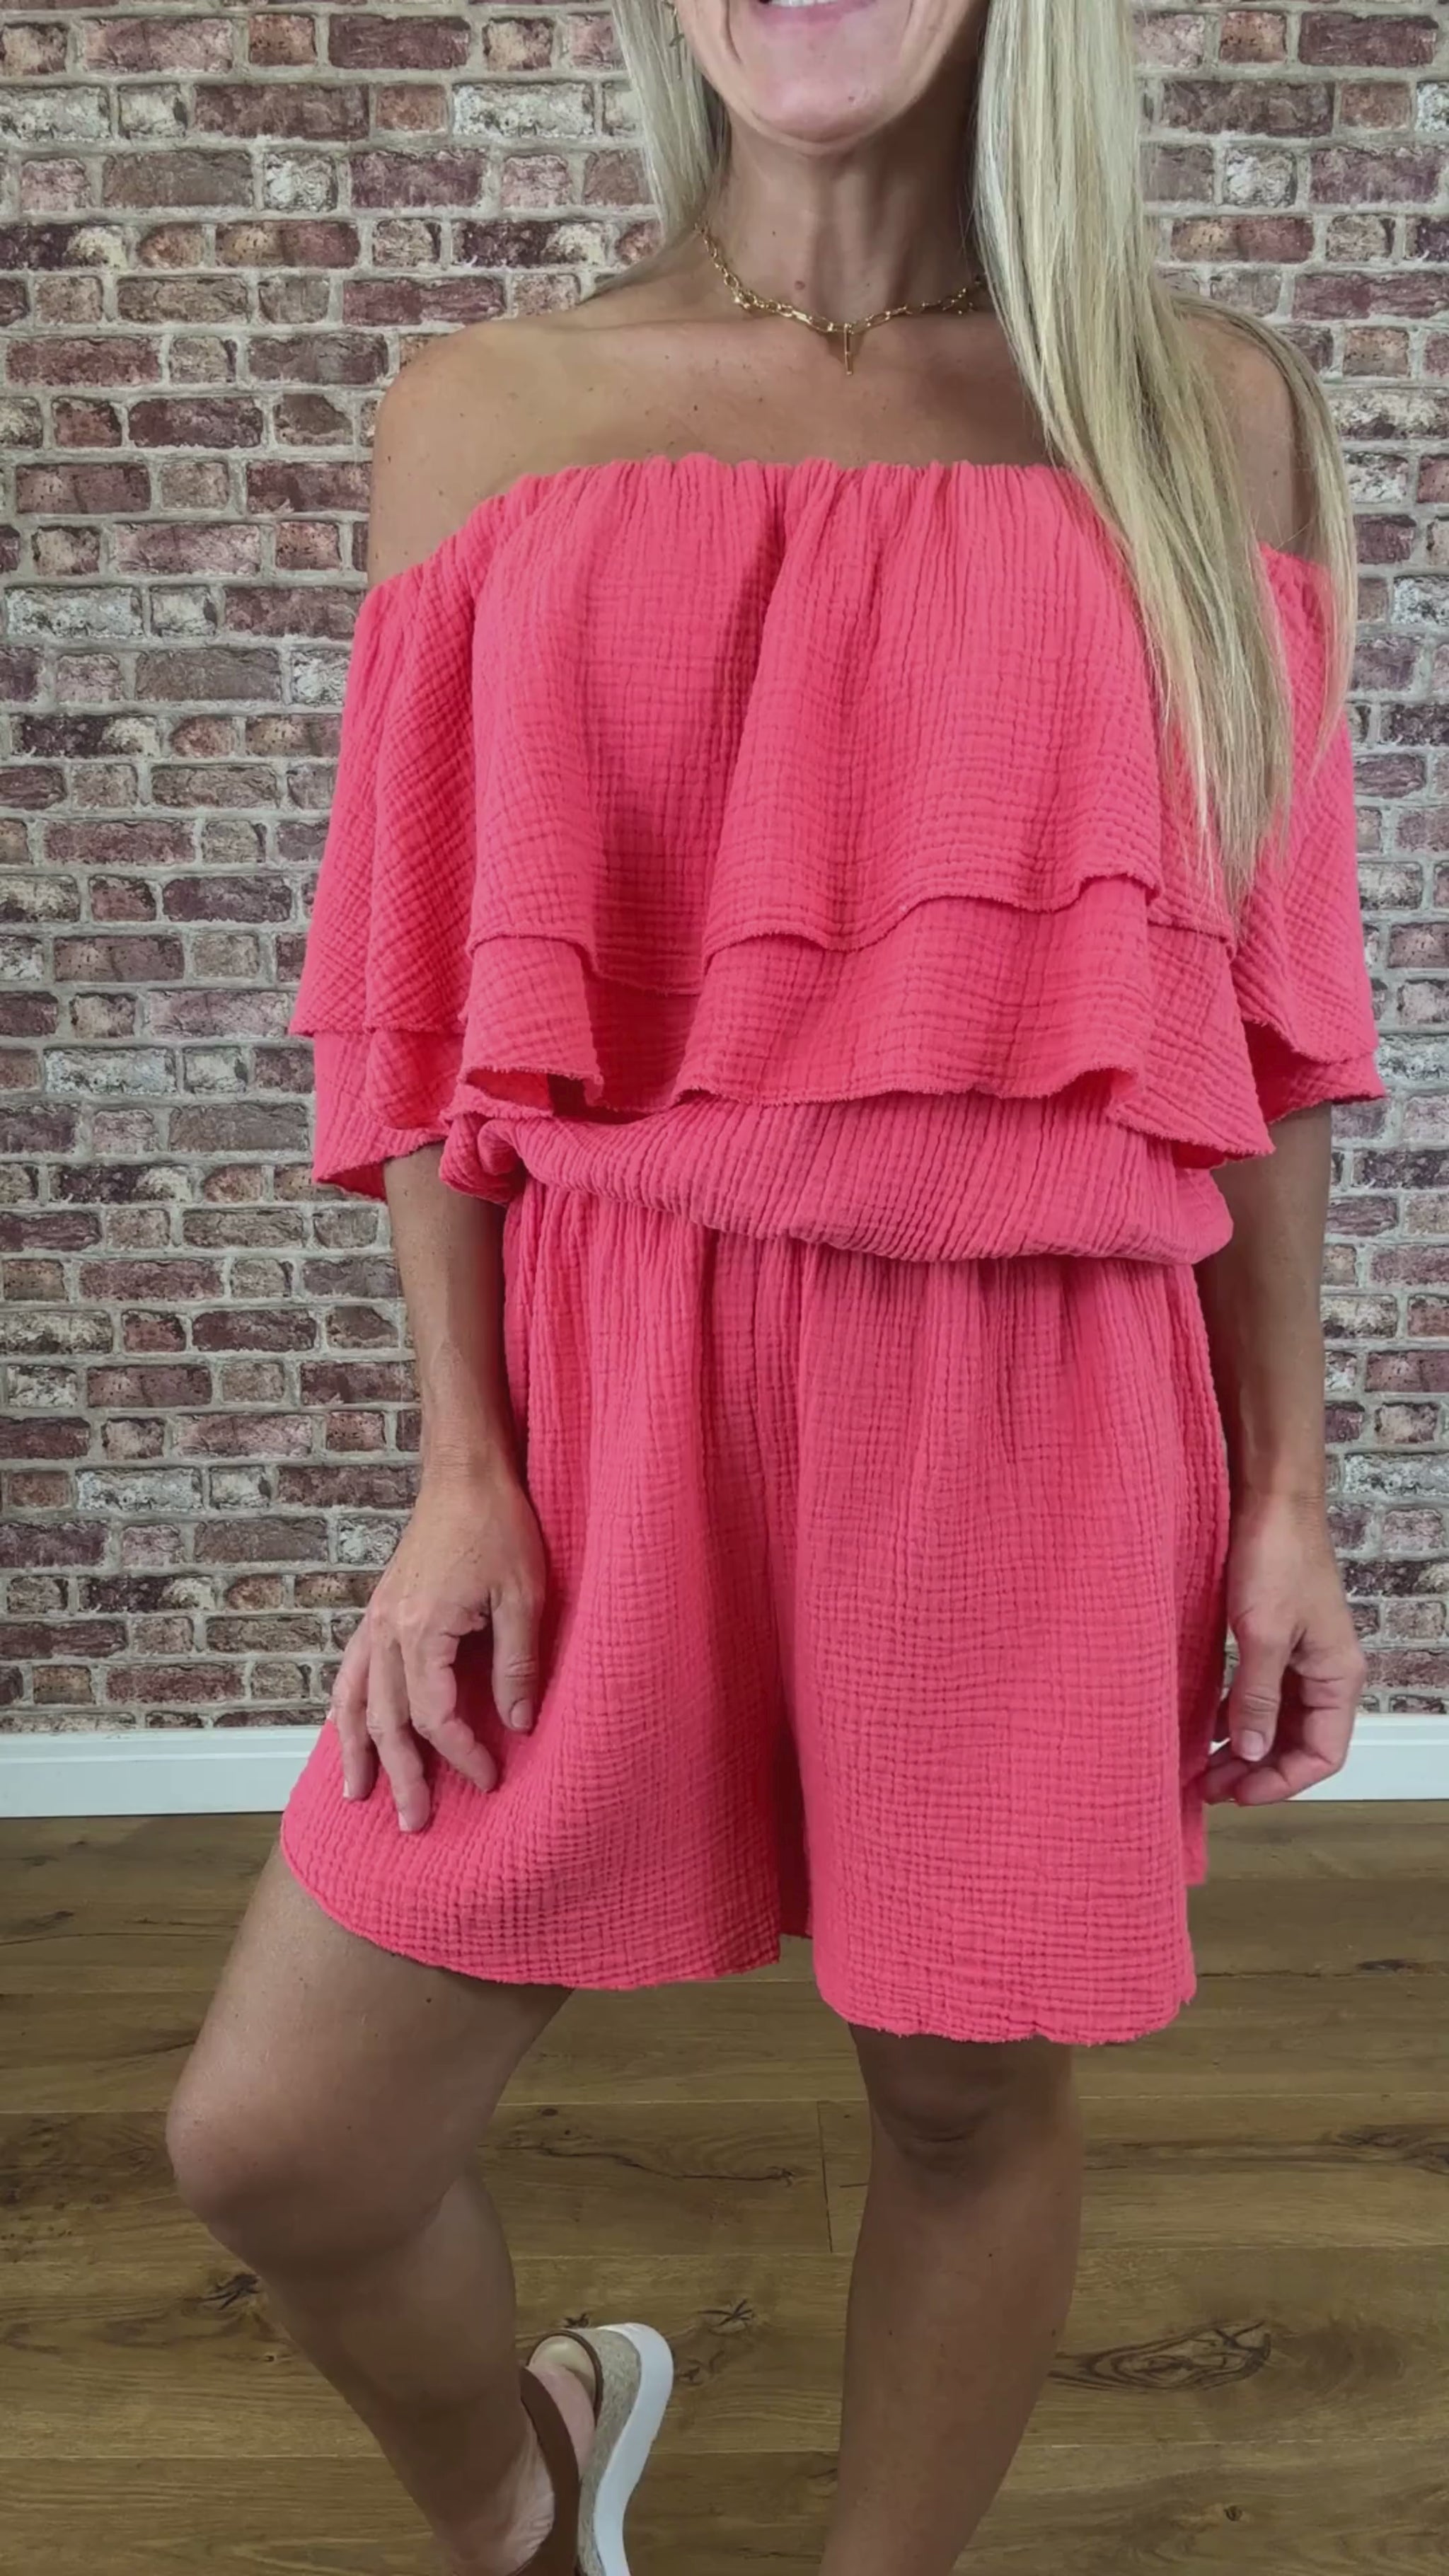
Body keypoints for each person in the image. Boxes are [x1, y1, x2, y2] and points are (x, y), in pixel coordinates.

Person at [165, 1, 1385, 2570]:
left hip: (1040, 1391)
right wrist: (461, 1467)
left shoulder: (1200, 410)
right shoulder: (493, 410)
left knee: (960, 2099)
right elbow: (419, 1017)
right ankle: (526, 2500)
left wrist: (1290, 1492)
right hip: (614, 1367)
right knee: (283, 2134)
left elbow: (1267, 1034)